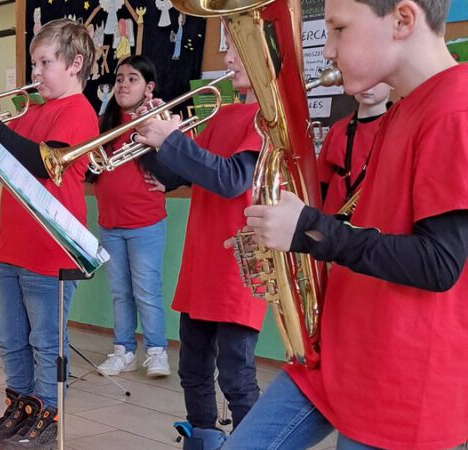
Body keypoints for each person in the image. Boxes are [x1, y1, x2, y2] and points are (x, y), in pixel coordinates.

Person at [225, 0, 468, 448]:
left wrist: (308, 230)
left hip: (398, 386)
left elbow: (438, 264)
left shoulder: (454, 109)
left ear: (402, 20)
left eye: (338, 29)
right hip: (341, 356)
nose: (329, 50)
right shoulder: (404, 107)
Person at [0, 18, 98, 450]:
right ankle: (19, 406)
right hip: (14, 243)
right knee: (9, 337)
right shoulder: (32, 112)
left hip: (51, 246)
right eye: (34, 63)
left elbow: (44, 162)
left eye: (45, 62)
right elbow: (0, 159)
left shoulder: (79, 112)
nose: (36, 72)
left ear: (76, 63)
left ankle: (47, 412)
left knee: (45, 340)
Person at [132, 29, 267, 450]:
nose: (227, 62)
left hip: (238, 263)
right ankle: (204, 439)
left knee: (236, 375)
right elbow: (177, 176)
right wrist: (153, 136)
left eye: (237, 55)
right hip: (202, 261)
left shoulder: (268, 117)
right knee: (191, 367)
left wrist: (173, 141)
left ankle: (254, 443)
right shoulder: (222, 114)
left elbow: (230, 180)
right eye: (227, 52)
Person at [92, 55, 172, 378]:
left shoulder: (158, 117)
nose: (123, 84)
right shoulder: (106, 123)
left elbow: (178, 160)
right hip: (110, 222)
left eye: (132, 79)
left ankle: (156, 351)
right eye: (120, 78)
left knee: (146, 290)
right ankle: (123, 349)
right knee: (119, 292)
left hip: (146, 223)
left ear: (148, 87)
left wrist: (170, 179)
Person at [317, 82, 391, 216]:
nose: (367, 86)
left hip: (373, 220)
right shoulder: (337, 128)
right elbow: (321, 182)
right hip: (330, 220)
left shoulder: (399, 130)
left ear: (392, 83)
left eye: (377, 79)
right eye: (361, 78)